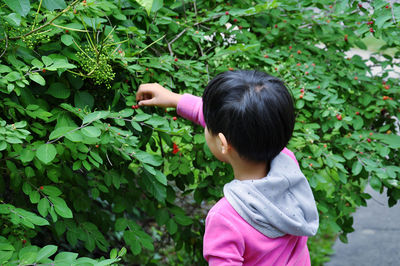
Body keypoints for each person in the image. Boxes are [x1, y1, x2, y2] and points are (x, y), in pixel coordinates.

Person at [136, 70, 319, 265]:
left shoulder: (226, 218)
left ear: (223, 143)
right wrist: (175, 100)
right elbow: (239, 123)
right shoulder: (288, 165)